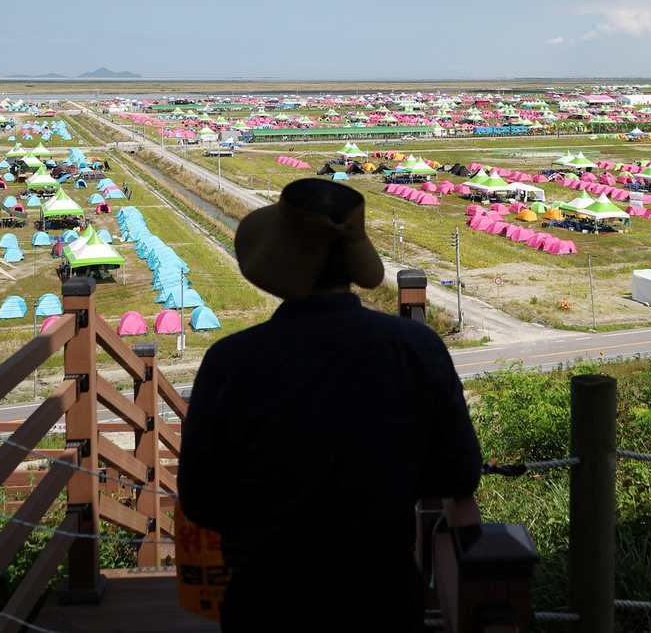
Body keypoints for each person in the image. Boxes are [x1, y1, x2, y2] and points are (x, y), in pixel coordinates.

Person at [179, 179, 482, 632]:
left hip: (267, 601)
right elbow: (456, 475)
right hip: (381, 600)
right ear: (353, 256)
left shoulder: (230, 362)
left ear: (280, 258)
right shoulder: (416, 347)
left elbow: (201, 500)